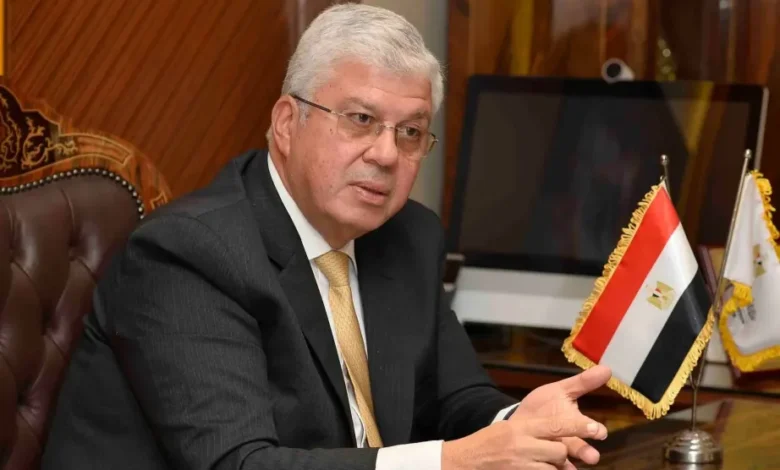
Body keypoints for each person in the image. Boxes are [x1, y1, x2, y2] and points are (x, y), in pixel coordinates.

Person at [42, 4, 612, 469]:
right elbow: (239, 464)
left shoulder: (408, 236)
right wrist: (453, 461)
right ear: (287, 124)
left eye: (411, 132)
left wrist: (516, 423)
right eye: (360, 120)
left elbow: (456, 396)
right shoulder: (188, 254)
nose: (386, 154)